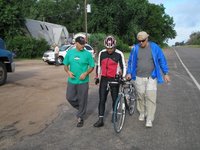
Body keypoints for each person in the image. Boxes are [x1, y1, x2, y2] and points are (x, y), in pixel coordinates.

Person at [126, 31, 170, 128]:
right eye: (139, 41)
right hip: (138, 77)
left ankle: (149, 118)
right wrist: (129, 72)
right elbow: (130, 62)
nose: (141, 42)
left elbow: (161, 59)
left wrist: (166, 73)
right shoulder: (135, 49)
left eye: (143, 40)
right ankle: (142, 112)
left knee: (150, 97)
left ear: (147, 39)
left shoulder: (154, 47)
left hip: (151, 77)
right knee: (140, 96)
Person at [93, 35, 126, 127]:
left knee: (115, 98)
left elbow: (123, 66)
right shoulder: (102, 53)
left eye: (111, 48)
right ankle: (100, 119)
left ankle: (114, 115)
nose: (109, 50)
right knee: (102, 99)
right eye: (107, 48)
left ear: (114, 46)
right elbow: (99, 66)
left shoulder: (119, 54)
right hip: (104, 78)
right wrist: (97, 77)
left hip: (114, 78)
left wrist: (122, 77)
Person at [63, 36, 95, 127]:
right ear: (76, 43)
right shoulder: (70, 53)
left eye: (84, 43)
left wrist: (85, 73)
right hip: (72, 81)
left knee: (83, 99)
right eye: (81, 44)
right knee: (69, 97)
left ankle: (80, 117)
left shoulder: (87, 54)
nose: (83, 45)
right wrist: (68, 71)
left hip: (83, 82)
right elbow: (65, 65)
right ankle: (81, 108)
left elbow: (92, 66)